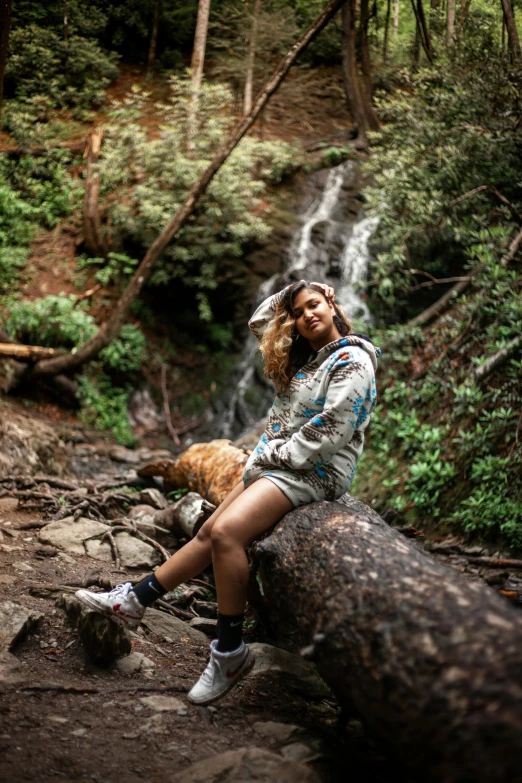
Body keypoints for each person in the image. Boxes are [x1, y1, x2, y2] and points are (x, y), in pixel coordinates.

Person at [75, 280, 380, 706]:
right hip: (275, 464)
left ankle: (229, 652)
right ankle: (134, 601)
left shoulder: (353, 360)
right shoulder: (308, 361)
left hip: (313, 471)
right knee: (209, 530)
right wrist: (293, 292)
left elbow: (332, 431)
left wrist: (272, 454)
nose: (308, 315)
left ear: (332, 304)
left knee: (227, 535)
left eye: (315, 305)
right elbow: (260, 321)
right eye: (299, 311)